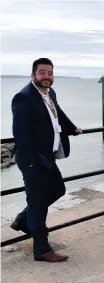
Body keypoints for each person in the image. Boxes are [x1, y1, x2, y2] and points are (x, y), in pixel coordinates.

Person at [10, 58, 82, 262]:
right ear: (33, 74)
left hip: (47, 157)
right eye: (42, 73)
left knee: (58, 189)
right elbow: (20, 133)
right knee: (38, 202)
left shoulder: (50, 93)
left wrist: (72, 128)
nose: (46, 76)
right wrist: (31, 161)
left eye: (50, 73)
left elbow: (57, 113)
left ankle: (23, 221)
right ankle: (41, 249)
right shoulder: (23, 97)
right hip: (33, 160)